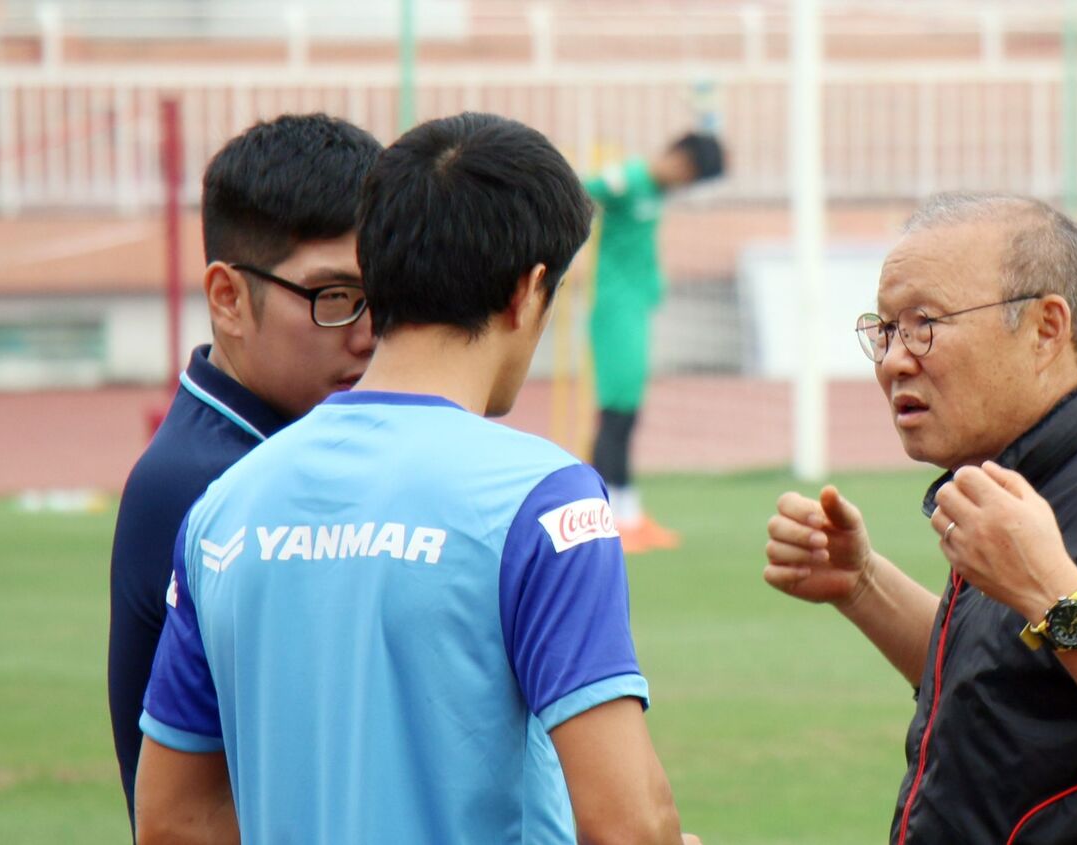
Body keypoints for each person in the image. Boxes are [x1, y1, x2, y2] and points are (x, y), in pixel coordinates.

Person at [133, 112, 695, 845]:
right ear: (527, 293)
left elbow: (173, 820)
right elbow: (629, 825)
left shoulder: (224, 507)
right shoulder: (542, 501)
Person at [763, 193, 1077, 843]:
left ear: (1046, 329)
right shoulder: (1022, 488)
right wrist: (863, 584)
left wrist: (1056, 595)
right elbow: (1007, 684)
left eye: (925, 322)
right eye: (886, 330)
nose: (894, 359)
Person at [105, 113, 380, 820]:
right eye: (334, 298)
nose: (369, 333)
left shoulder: (293, 450)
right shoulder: (208, 486)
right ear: (228, 298)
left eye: (388, 294)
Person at [584, 131, 725, 553]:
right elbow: (579, 189)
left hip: (635, 311)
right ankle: (605, 516)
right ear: (677, 158)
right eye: (689, 174)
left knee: (627, 413)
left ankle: (627, 513)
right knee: (615, 414)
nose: (684, 184)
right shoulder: (627, 179)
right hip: (614, 310)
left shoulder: (654, 192)